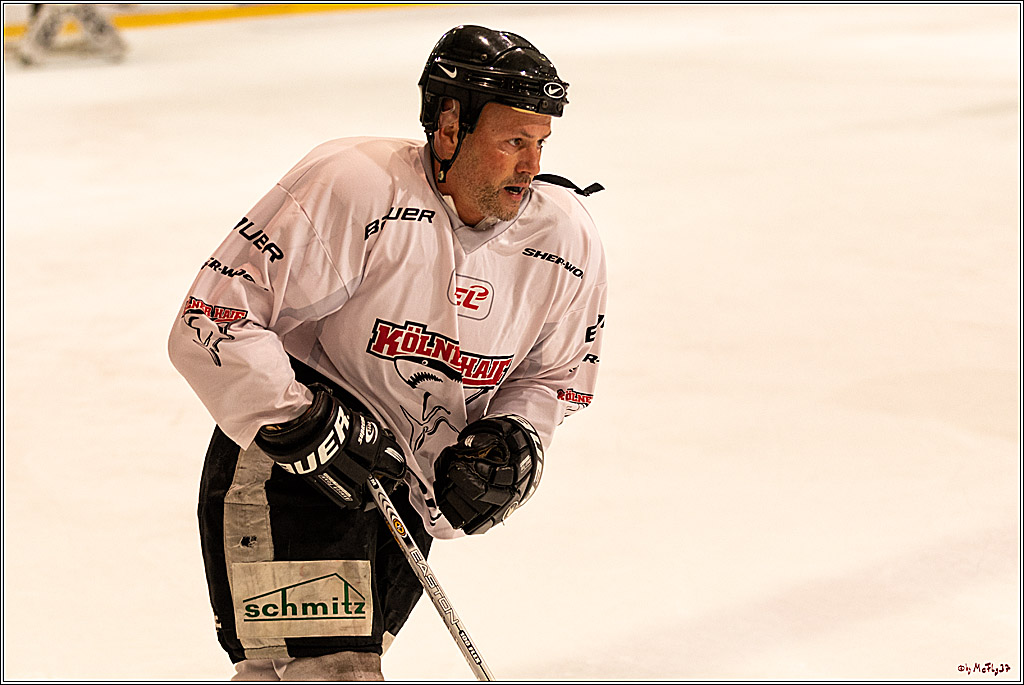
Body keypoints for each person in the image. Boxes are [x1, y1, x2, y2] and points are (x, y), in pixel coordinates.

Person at [168, 24, 607, 681]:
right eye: (514, 140)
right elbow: (211, 320)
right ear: (450, 125)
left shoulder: (564, 241)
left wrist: (512, 436)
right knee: (336, 671)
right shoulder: (355, 186)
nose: (530, 167)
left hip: (406, 484)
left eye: (540, 142)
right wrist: (298, 421)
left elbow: (555, 376)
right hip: (290, 465)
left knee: (288, 673)